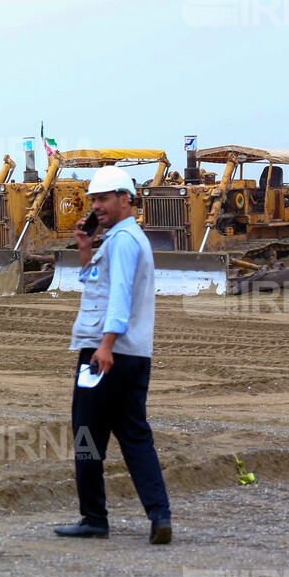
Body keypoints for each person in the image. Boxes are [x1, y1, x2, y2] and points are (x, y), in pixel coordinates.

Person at [54, 166, 172, 545]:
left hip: (105, 353)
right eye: (93, 199)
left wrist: (104, 346)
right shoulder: (124, 239)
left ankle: (93, 518)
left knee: (87, 434)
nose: (95, 206)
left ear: (126, 199)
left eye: (103, 198)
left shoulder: (122, 241)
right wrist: (85, 251)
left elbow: (118, 296)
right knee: (135, 436)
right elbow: (95, 285)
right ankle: (160, 515)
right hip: (136, 353)